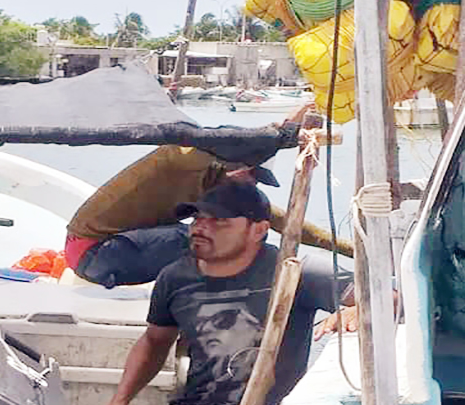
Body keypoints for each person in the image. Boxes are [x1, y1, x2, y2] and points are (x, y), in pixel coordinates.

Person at [90, 180, 354, 405]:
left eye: (219, 221)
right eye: (198, 219)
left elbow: (385, 295)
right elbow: (154, 342)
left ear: (258, 230)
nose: (202, 228)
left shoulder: (294, 271)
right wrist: (120, 400)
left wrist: (356, 310)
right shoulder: (175, 277)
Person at [63, 111, 353, 289]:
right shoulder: (181, 158)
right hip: (94, 254)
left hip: (107, 251)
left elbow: (276, 221)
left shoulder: (214, 185)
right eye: (253, 178)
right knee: (198, 236)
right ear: (238, 168)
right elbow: (220, 141)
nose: (252, 187)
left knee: (240, 233)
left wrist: (349, 249)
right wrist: (280, 137)